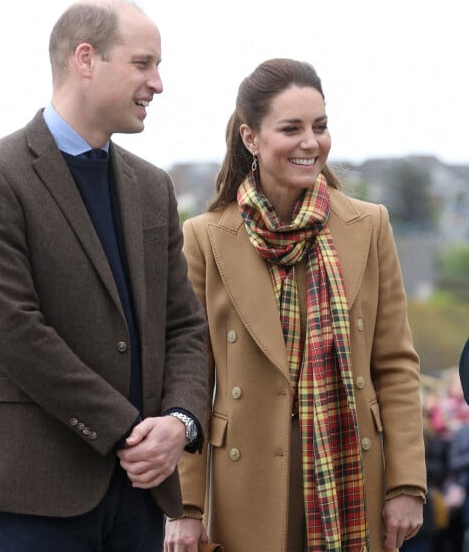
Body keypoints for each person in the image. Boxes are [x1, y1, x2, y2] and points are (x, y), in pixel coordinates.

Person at [0, 0, 208, 552]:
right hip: (36, 495)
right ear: (85, 59)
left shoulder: (152, 187)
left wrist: (180, 422)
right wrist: (127, 430)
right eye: (143, 64)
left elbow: (185, 327)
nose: (158, 83)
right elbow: (16, 331)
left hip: (141, 494)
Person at [164, 58, 427, 552]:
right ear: (251, 138)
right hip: (247, 483)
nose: (312, 143)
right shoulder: (204, 237)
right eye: (292, 128)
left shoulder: (370, 226)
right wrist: (185, 507)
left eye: (320, 127)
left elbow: (394, 364)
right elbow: (189, 376)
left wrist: (406, 484)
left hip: (351, 477)